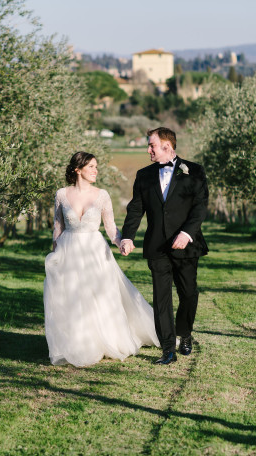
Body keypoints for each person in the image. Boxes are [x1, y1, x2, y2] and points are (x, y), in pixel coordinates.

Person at [43, 151, 160, 367]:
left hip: (95, 251)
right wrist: (54, 255)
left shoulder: (102, 195)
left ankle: (106, 340)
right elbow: (57, 228)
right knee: (72, 298)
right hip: (68, 250)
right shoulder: (61, 194)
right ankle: (78, 343)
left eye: (97, 167)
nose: (96, 171)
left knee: (99, 296)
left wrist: (122, 242)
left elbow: (110, 228)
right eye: (91, 167)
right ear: (77, 169)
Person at [120, 127, 208, 365]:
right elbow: (136, 209)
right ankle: (168, 349)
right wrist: (128, 236)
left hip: (186, 245)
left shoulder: (195, 171)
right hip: (157, 247)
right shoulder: (144, 175)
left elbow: (200, 207)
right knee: (161, 298)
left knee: (189, 293)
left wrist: (187, 233)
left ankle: (185, 333)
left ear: (167, 147)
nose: (148, 149)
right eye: (149, 145)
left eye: (152, 145)